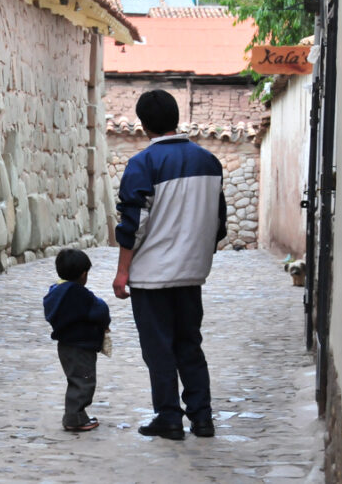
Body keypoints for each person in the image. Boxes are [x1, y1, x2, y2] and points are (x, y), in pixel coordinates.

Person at [112, 90, 227, 441]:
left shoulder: (142, 164)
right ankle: (202, 418)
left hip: (151, 277)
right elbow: (219, 222)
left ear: (143, 124)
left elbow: (133, 223)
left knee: (159, 349)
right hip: (192, 275)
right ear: (176, 118)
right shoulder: (210, 162)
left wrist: (122, 271)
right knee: (189, 345)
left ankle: (169, 418)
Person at [44, 249, 111, 432]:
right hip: (81, 346)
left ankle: (78, 415)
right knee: (84, 381)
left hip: (65, 345)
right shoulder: (81, 295)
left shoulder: (54, 292)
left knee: (75, 379)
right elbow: (100, 310)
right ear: (83, 274)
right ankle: (74, 418)